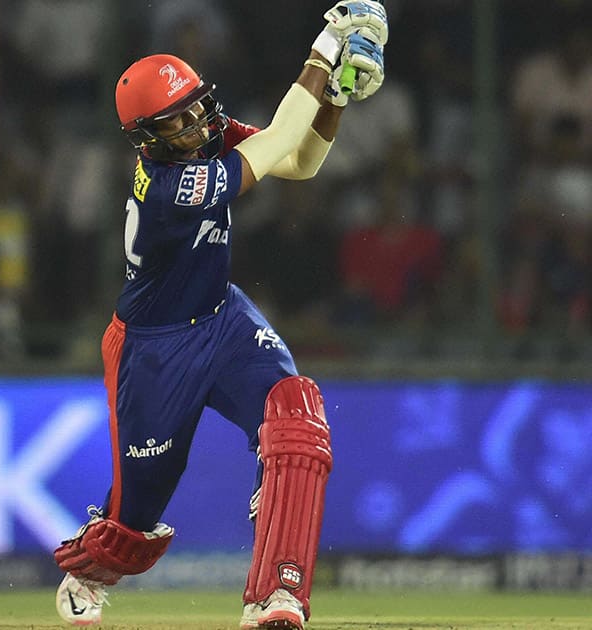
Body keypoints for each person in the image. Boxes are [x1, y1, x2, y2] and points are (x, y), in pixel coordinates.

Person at [52, 3, 387, 629]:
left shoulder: (200, 134)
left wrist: (336, 95)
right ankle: (88, 573)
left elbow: (299, 161)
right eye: (177, 121)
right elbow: (284, 141)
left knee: (295, 414)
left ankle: (276, 594)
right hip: (153, 350)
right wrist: (325, 48)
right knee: (134, 518)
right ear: (147, 138)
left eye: (198, 107)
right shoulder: (167, 188)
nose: (198, 125)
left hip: (223, 319)